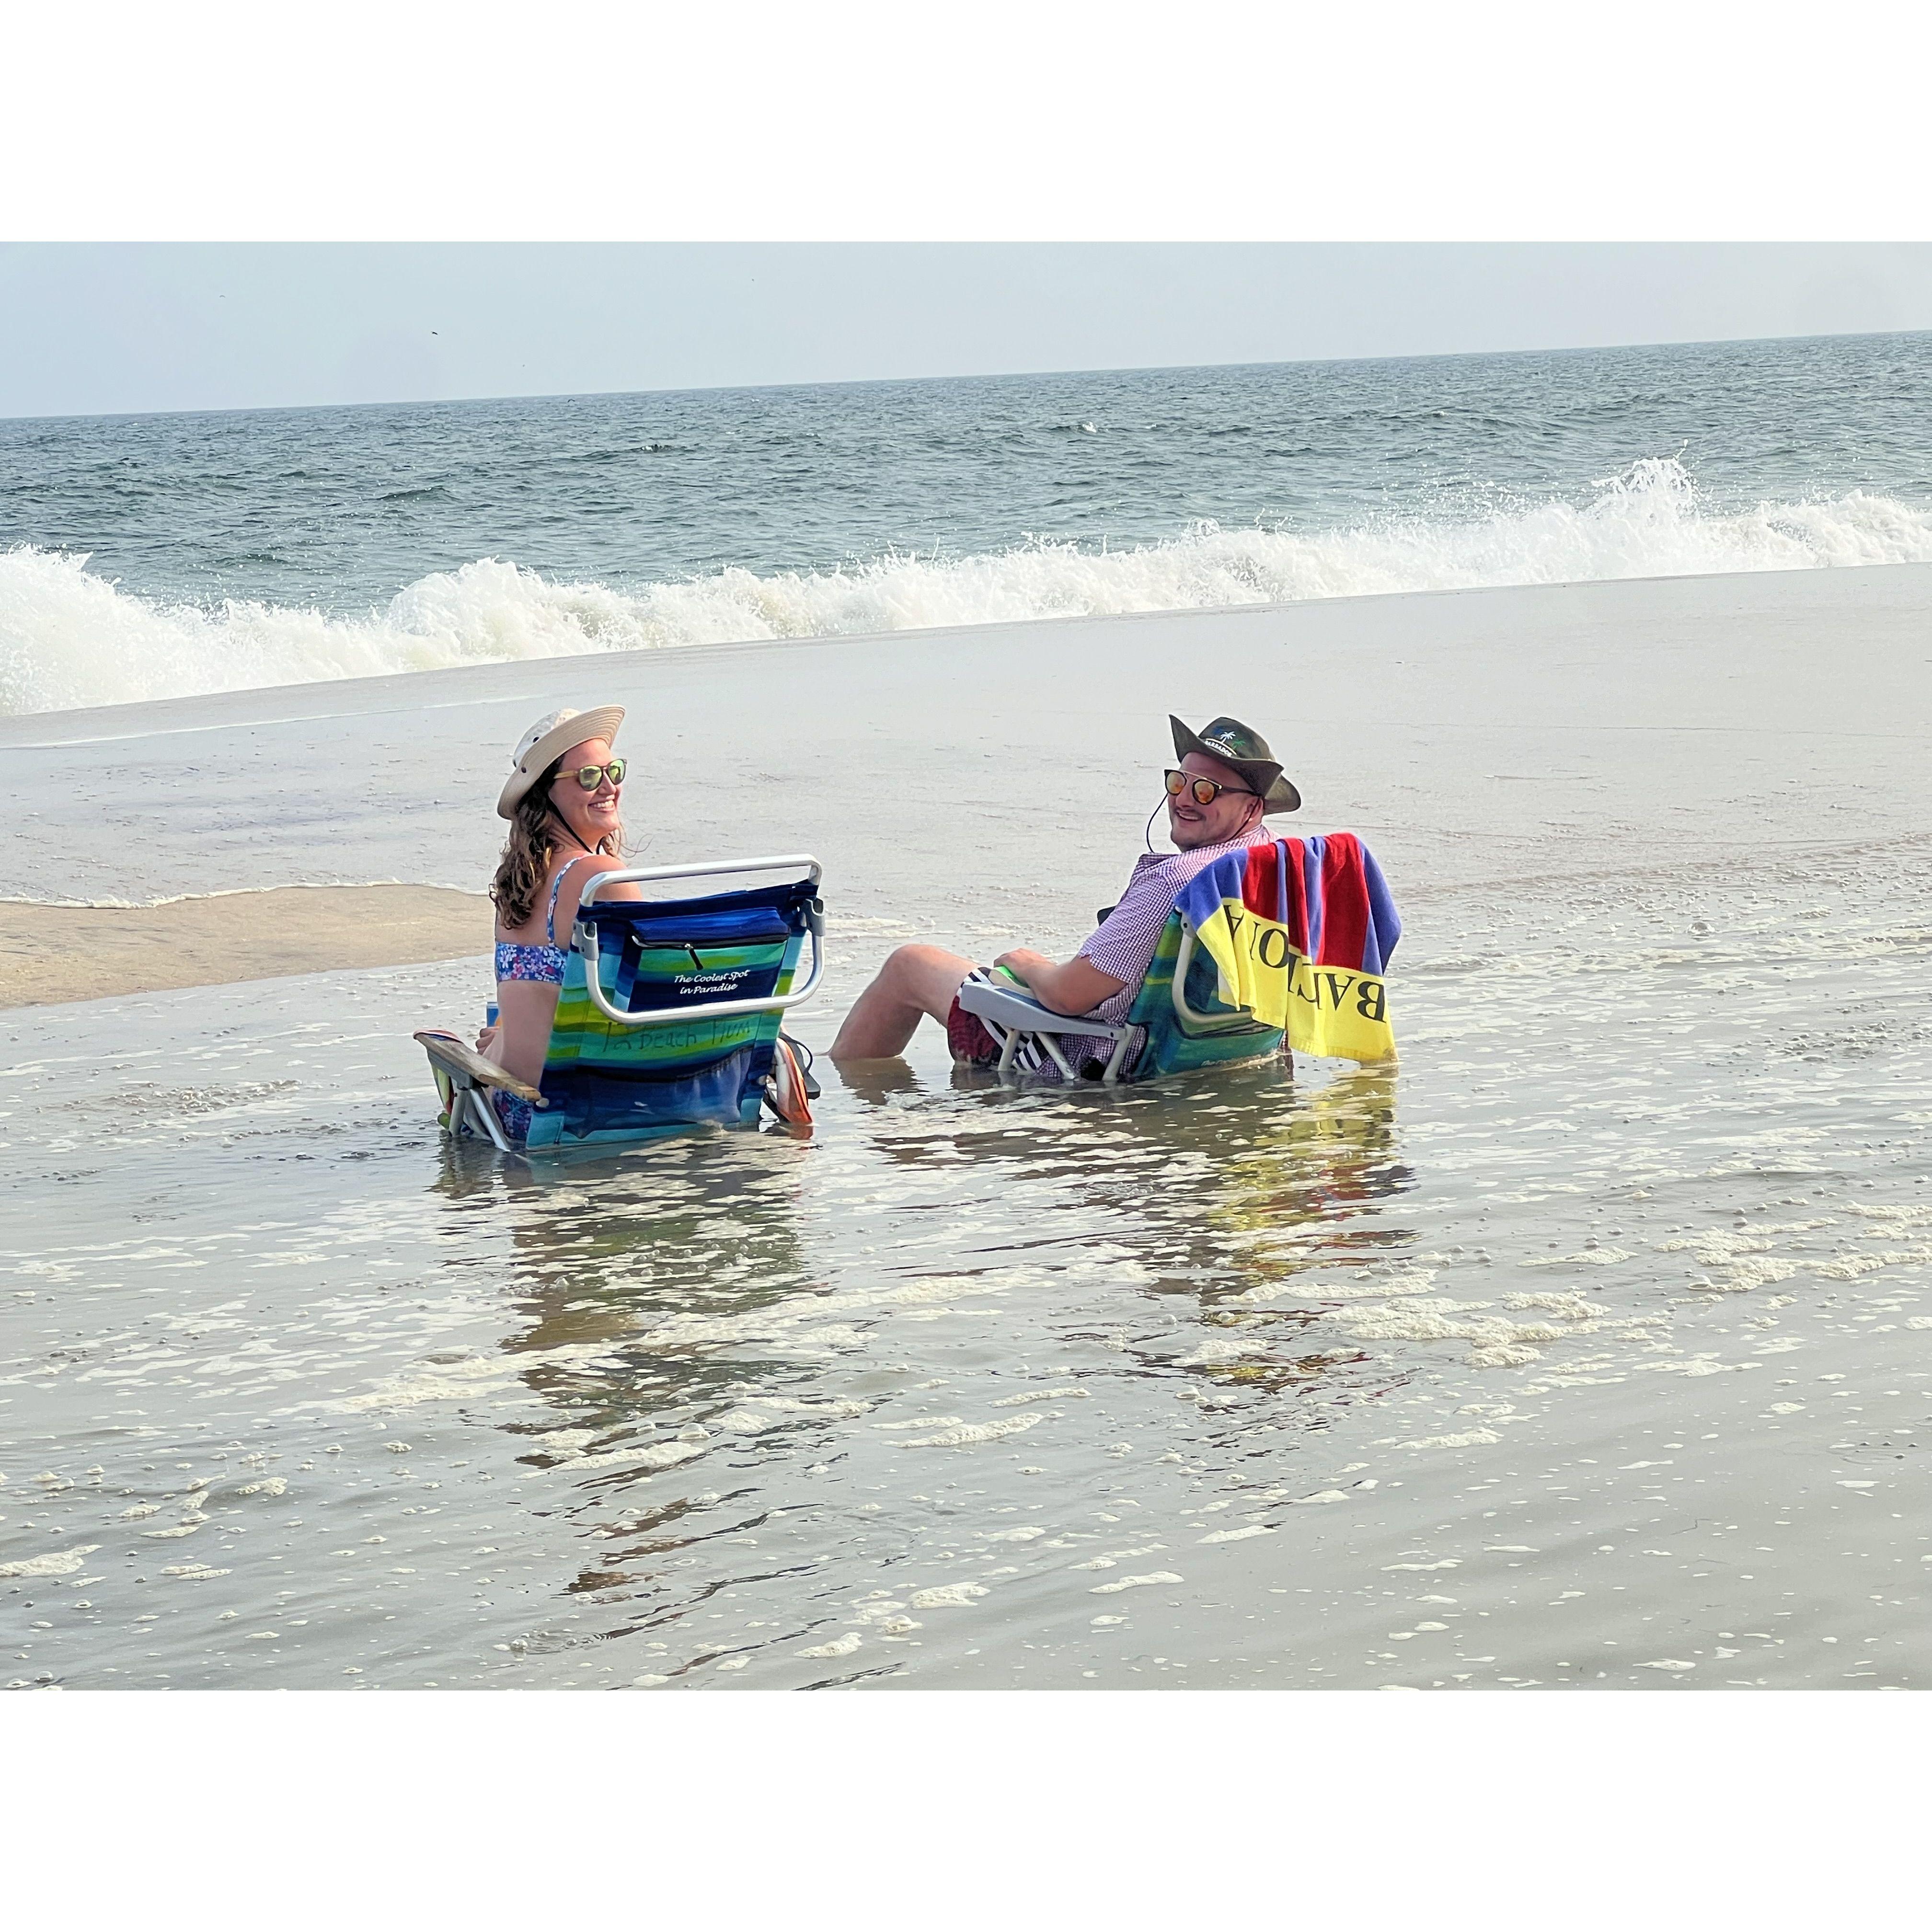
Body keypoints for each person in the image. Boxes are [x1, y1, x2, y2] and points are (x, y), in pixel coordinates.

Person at [828, 714, 1301, 1067]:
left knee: (911, 966)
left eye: (1206, 791)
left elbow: (1072, 998)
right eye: (1179, 781)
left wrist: (1027, 964)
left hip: (1091, 1058)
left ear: (1253, 809)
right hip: (1210, 1049)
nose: (1181, 799)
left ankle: (840, 1093)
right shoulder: (1280, 869)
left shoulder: (1179, 882)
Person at [475, 705, 644, 1140]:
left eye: (615, 772)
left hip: (510, 1113)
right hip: (581, 1116)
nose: (609, 787)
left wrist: (503, 1034)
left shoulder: (517, 886)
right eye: (589, 777)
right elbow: (647, 1005)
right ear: (545, 794)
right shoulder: (602, 879)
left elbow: (546, 1002)